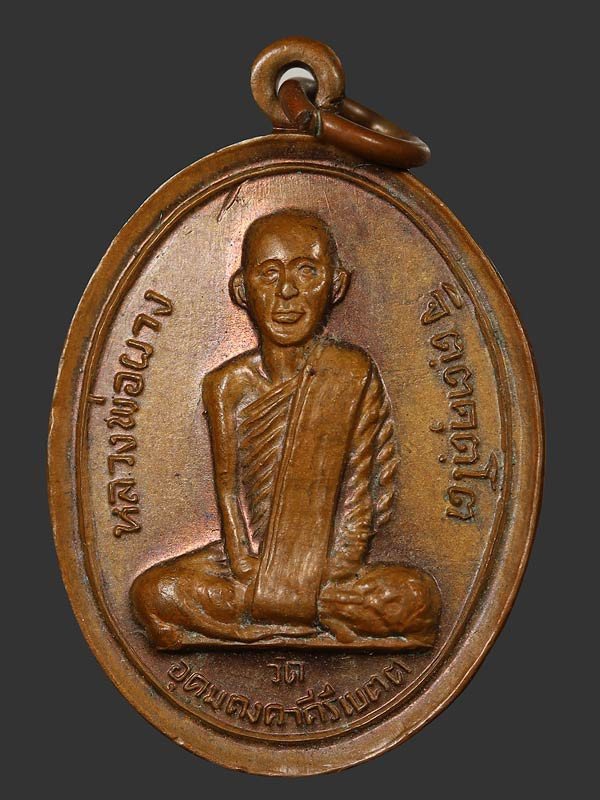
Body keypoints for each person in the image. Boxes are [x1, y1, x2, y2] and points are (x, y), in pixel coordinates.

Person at [131, 209, 441, 648]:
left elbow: (363, 494)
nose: (287, 292)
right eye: (269, 274)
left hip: (329, 572)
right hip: (247, 567)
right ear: (243, 289)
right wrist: (247, 566)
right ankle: (300, 617)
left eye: (306, 271)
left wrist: (321, 577)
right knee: (152, 594)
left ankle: (269, 618)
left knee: (418, 597)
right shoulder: (225, 385)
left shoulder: (351, 371)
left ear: (336, 285)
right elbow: (228, 493)